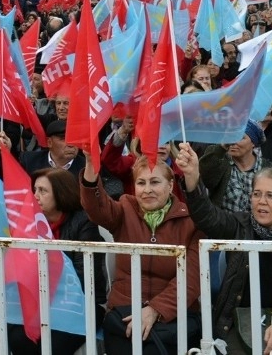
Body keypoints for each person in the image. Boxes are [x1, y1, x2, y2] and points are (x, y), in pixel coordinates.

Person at [176, 143, 272, 354]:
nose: (261, 201)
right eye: (256, 194)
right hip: (240, 324)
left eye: (271, 196)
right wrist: (193, 179)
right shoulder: (240, 225)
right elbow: (207, 217)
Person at [79, 148, 201, 355]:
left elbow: (192, 277)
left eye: (155, 182)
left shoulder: (191, 221)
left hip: (174, 316)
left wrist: (155, 310)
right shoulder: (126, 208)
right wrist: (91, 166)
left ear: (170, 185)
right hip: (124, 312)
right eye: (141, 183)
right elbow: (97, 209)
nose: (147, 190)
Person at [5, 168, 106, 355]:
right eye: (34, 190)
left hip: (81, 303)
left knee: (53, 346)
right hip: (40, 301)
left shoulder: (84, 222)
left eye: (42, 191)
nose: (35, 196)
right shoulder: (29, 223)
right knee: (18, 338)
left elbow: (86, 276)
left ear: (61, 193)